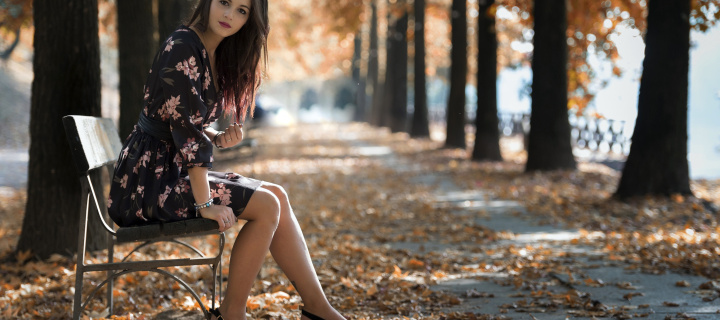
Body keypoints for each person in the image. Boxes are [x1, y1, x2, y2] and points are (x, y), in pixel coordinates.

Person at [107, 0, 346, 319]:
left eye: (242, 11)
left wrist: (216, 135)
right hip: (147, 185)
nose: (230, 15)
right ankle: (232, 314)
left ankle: (319, 309)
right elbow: (186, 133)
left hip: (167, 173)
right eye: (224, 3)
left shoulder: (212, 52)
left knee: (277, 196)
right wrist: (205, 205)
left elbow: (184, 121)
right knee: (267, 206)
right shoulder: (182, 46)